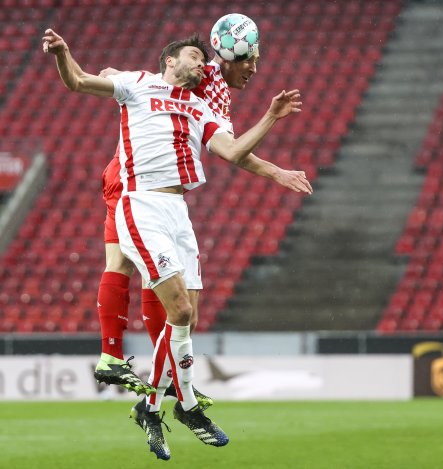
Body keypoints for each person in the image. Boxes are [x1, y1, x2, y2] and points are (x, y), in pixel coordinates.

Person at [43, 28, 302, 460]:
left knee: (188, 317)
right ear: (169, 61)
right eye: (193, 56)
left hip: (178, 211)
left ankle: (152, 405)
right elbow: (79, 81)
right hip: (141, 203)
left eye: (204, 58)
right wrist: (63, 53)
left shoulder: (198, 105)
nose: (201, 63)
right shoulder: (138, 82)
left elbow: (234, 151)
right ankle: (185, 405)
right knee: (176, 308)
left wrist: (272, 117)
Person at [93, 17, 312, 397]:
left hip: (159, 190)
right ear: (229, 57)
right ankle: (112, 356)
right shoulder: (201, 74)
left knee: (163, 284)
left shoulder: (217, 94)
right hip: (134, 178)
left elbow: (231, 149)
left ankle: (170, 380)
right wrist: (276, 172)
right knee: (125, 265)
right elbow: (154, 79)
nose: (255, 70)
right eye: (250, 61)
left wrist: (276, 171)